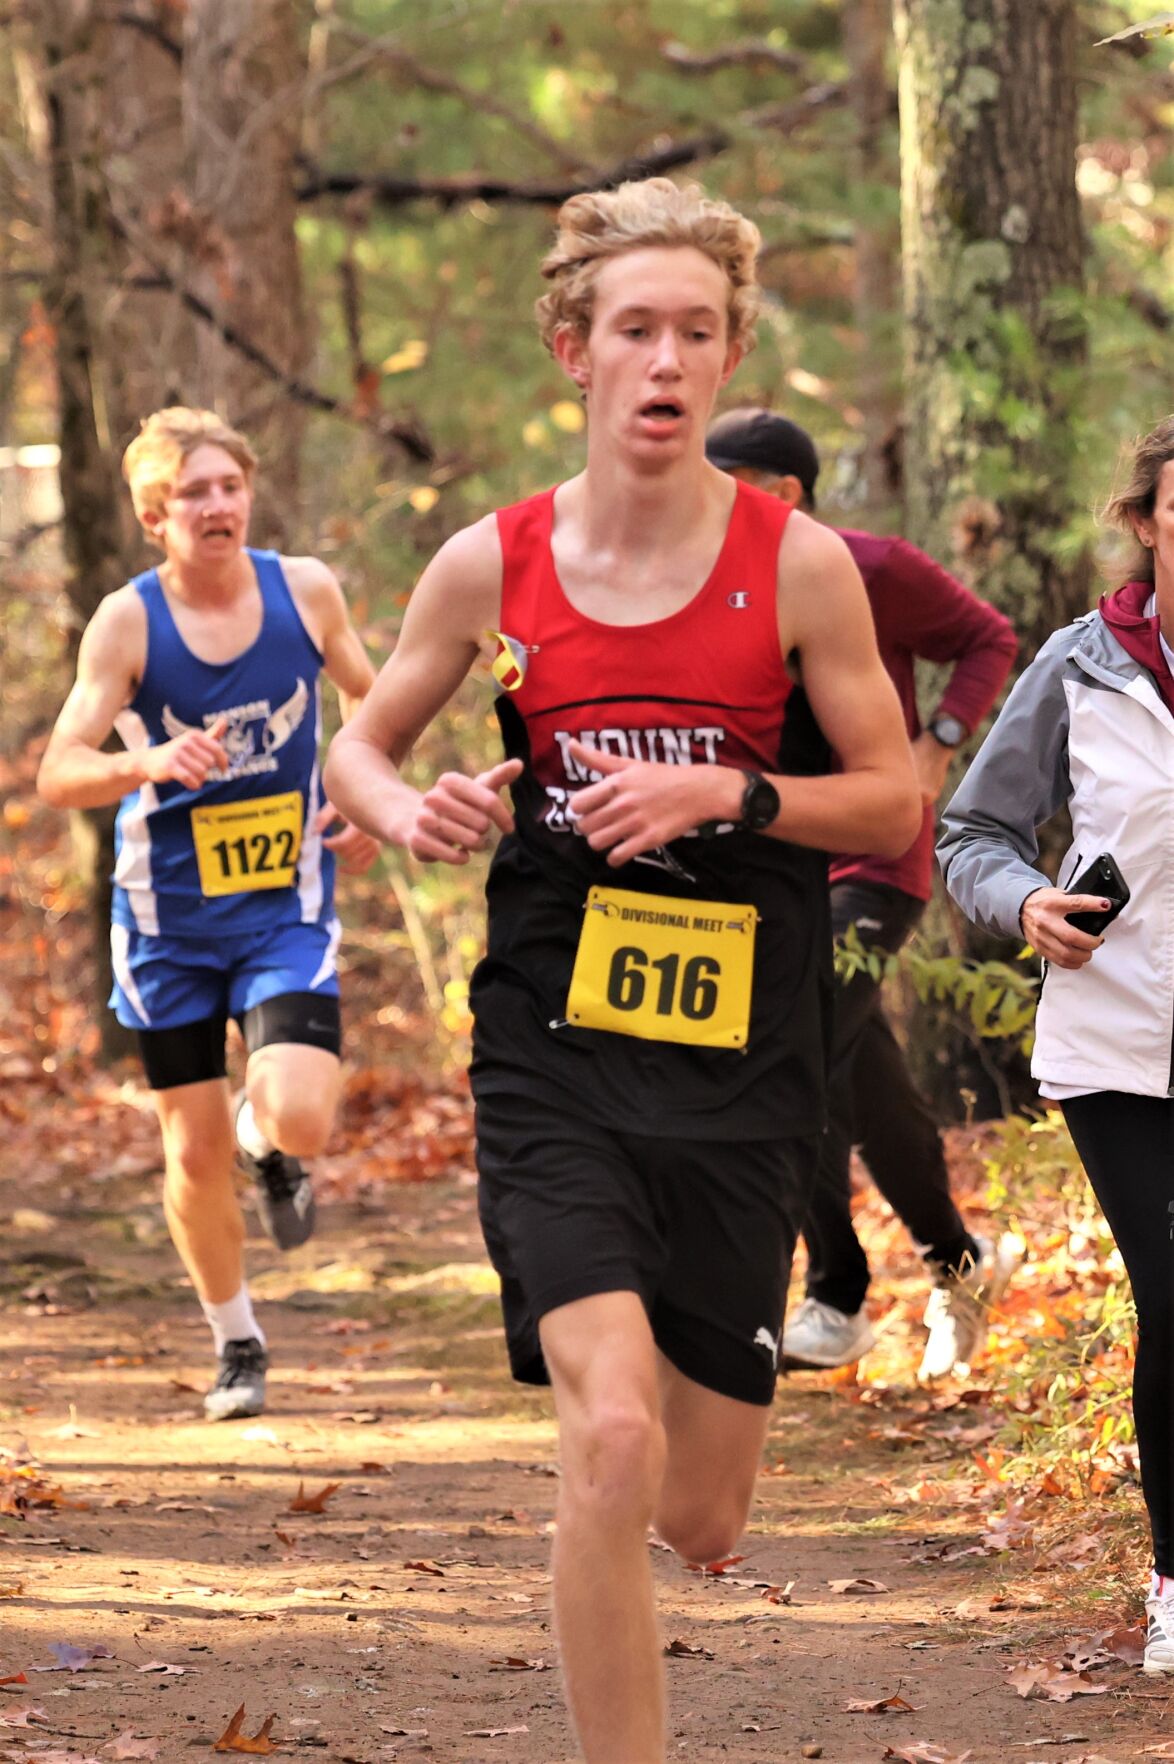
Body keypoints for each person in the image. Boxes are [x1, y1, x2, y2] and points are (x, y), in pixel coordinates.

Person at [324, 178, 921, 1763]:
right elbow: (359, 750)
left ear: (728, 363)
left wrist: (732, 792)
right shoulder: (490, 564)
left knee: (702, 1513)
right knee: (606, 1436)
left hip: (741, 1049)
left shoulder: (797, 570)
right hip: (554, 1039)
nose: (664, 361)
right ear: (573, 354)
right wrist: (416, 808)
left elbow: (895, 795)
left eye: (696, 333)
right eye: (633, 329)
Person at [37, 407, 378, 1421]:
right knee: (189, 1155)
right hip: (167, 925)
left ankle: (266, 1141)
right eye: (194, 493)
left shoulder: (304, 590)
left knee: (301, 1114)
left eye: (230, 486)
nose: (217, 506)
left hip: (284, 909)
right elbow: (58, 771)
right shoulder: (128, 621)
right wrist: (145, 760)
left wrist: (362, 796)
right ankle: (238, 1343)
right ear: (155, 514)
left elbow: (379, 699)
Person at [705, 409, 1020, 1379]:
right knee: (860, 1078)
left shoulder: (869, 567)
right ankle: (960, 1264)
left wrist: (940, 740)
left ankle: (835, 1293)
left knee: (783, 1049)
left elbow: (984, 637)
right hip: (766, 869)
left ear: (782, 492)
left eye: (722, 481)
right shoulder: (702, 583)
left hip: (872, 866)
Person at [938, 413, 1174, 1672]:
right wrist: (1021, 902)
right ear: (1144, 524)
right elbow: (970, 833)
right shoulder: (1079, 668)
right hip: (1118, 1045)